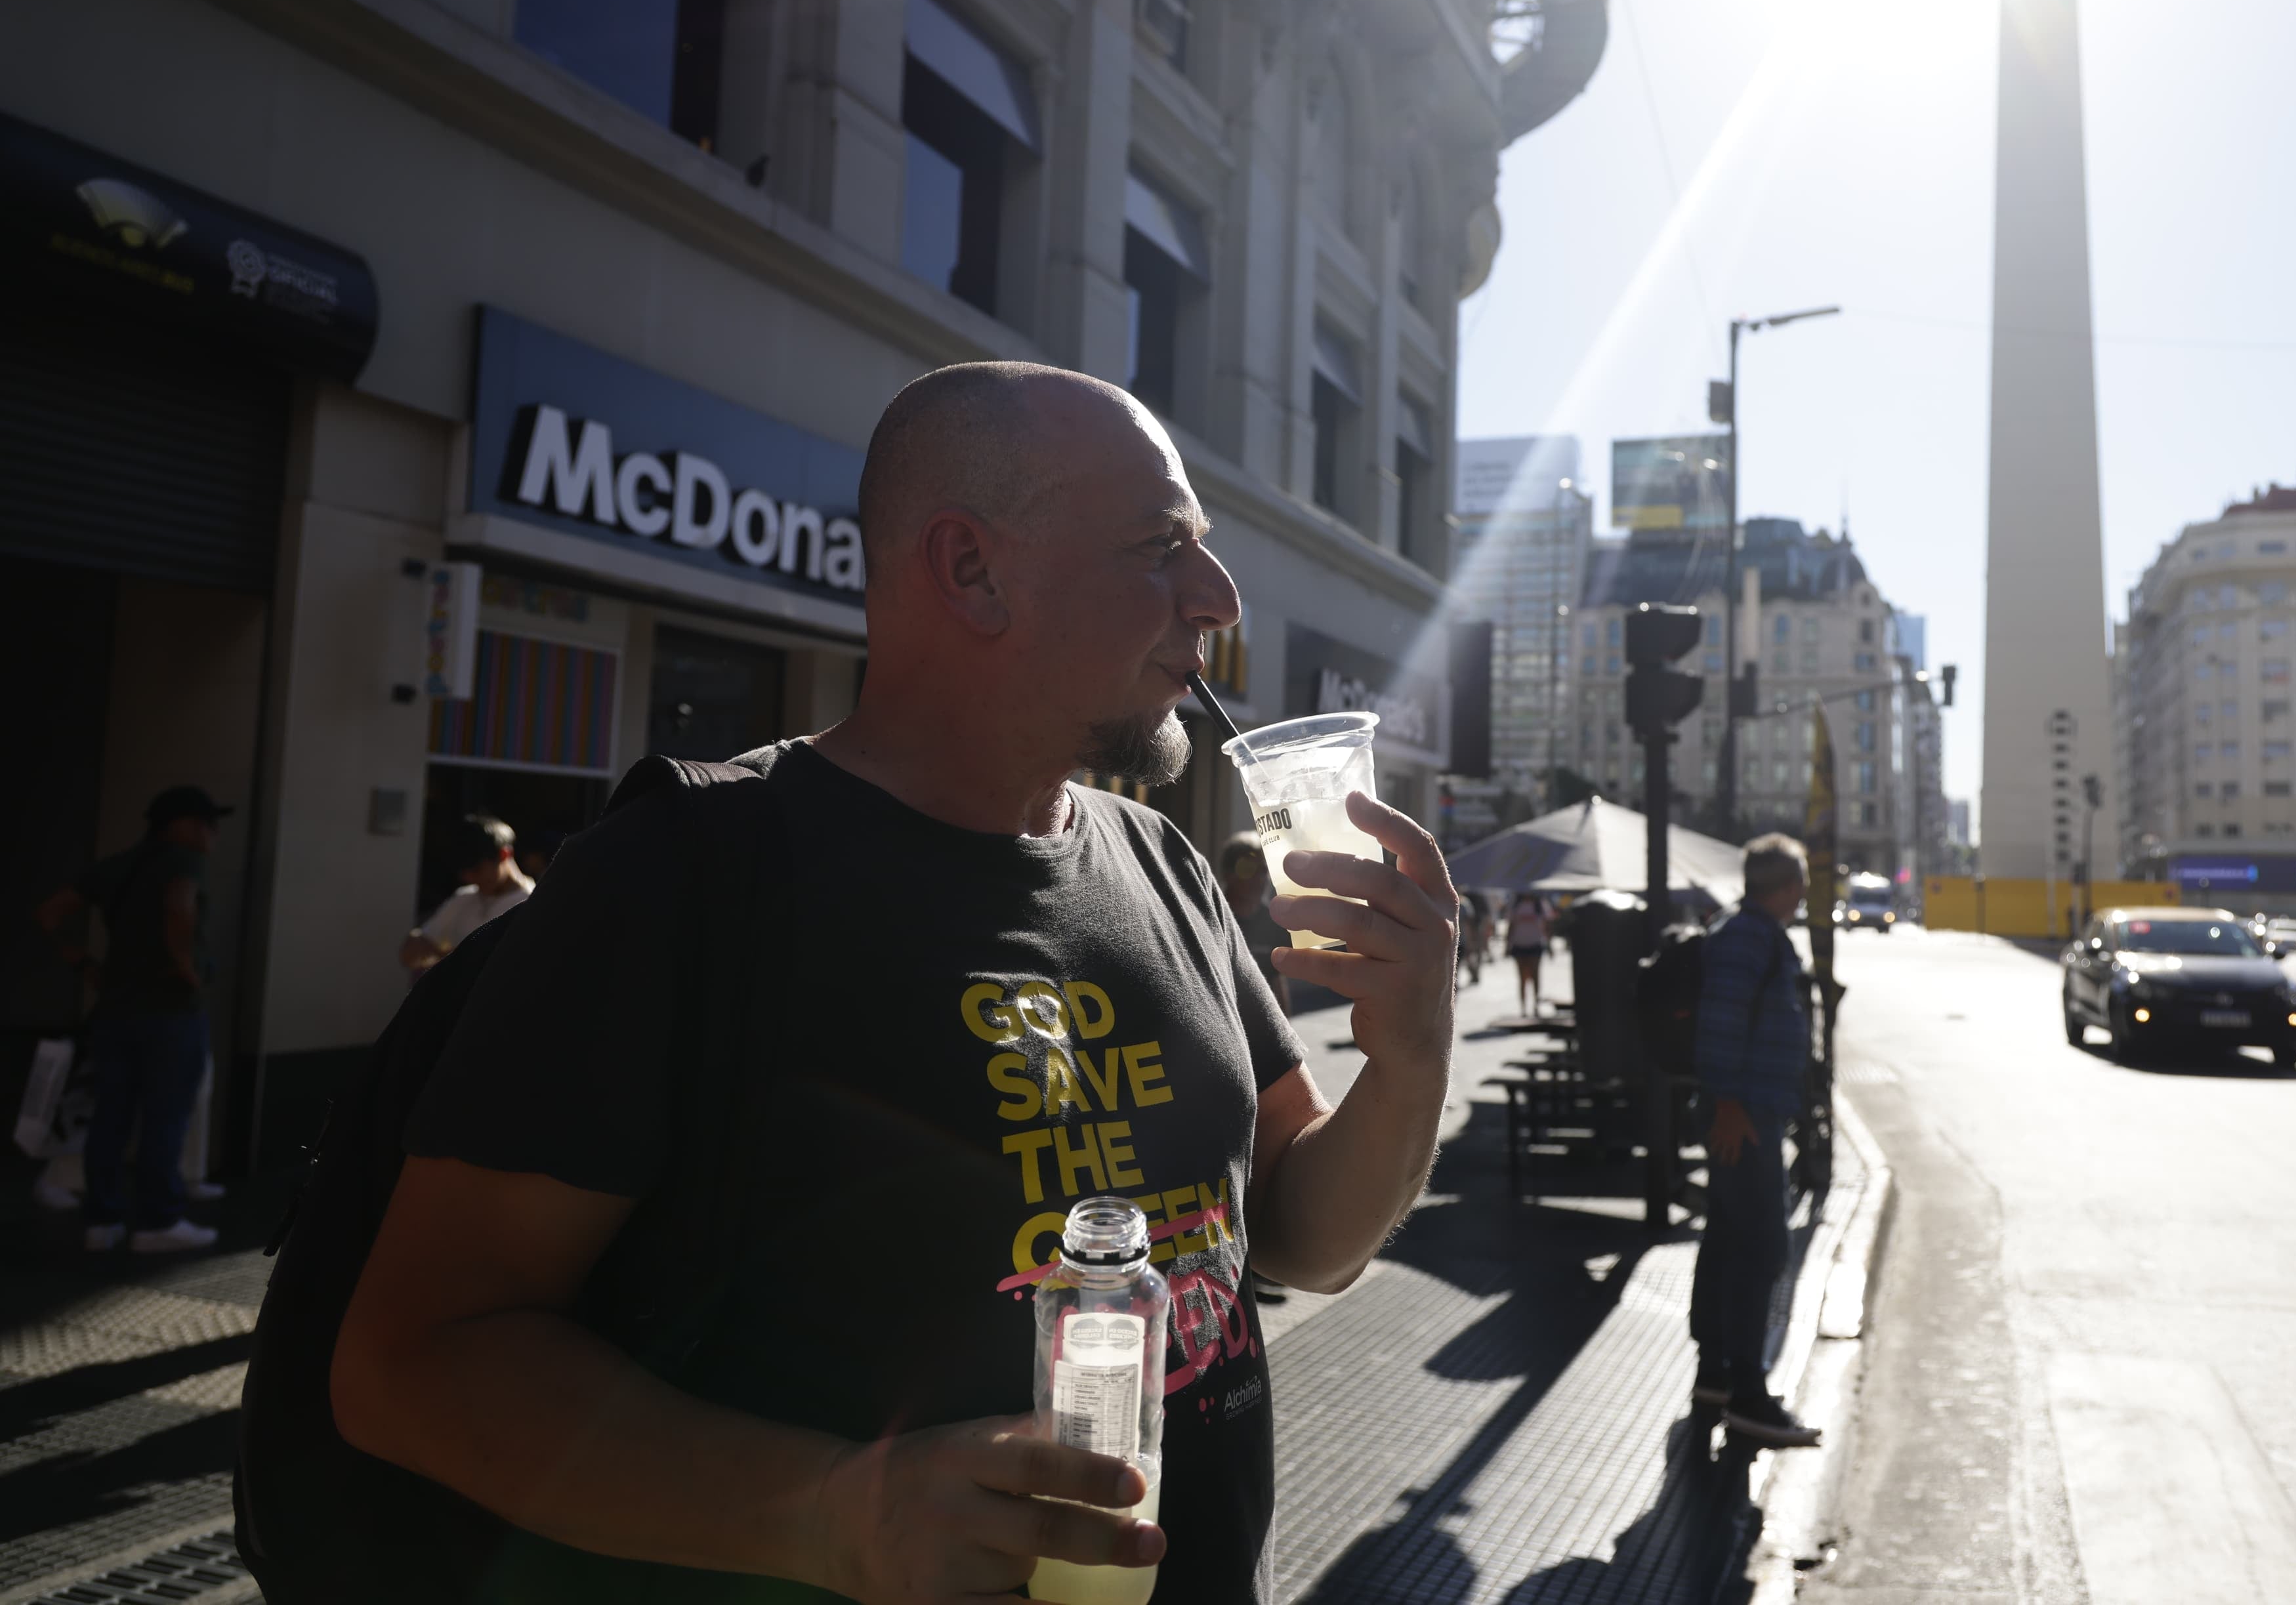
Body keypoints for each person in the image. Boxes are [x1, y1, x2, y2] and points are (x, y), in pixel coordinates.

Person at [329, 362, 1459, 1603]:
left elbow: (1301, 1236)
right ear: (970, 569)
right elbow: (414, 1362)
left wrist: (1410, 1059)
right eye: (1159, 547)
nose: (1220, 596)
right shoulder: (680, 878)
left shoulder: (1168, 866)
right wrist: (830, 1513)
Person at [31, 785, 230, 1255]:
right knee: (166, 1116)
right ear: (180, 825)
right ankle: (157, 1222)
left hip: (115, 1009)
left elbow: (48, 914)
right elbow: (178, 910)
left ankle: (102, 1220)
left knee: (111, 1116)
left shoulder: (115, 867)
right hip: (169, 1007)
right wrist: (189, 971)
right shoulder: (183, 862)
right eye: (206, 821)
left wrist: (83, 964)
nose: (212, 832)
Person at [1686, 833, 1820, 1449]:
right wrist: (1729, 1103)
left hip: (1748, 1112)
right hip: (1743, 1117)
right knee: (1761, 1250)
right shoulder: (1747, 936)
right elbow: (1721, 1020)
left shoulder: (1751, 933)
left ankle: (1715, 1375)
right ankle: (1746, 1392)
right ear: (1788, 886)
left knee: (1729, 1240)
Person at [398, 814, 536, 973]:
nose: (470, 878)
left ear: (504, 855)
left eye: (477, 870)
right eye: (465, 873)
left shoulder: (531, 903)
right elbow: (413, 952)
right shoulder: (465, 897)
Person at [1217, 831, 1290, 1015]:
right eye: (1249, 869)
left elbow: (1276, 980)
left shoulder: (1274, 921)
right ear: (1228, 875)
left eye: (1264, 870)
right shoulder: (1210, 918)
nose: (1260, 879)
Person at [1507, 892, 1551, 1011]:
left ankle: (1536, 1004)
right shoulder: (1516, 905)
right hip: (1519, 944)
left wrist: (1550, 945)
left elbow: (1546, 926)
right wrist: (1508, 944)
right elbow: (1511, 925)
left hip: (1535, 944)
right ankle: (1524, 1007)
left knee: (1535, 975)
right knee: (1522, 977)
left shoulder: (1540, 905)